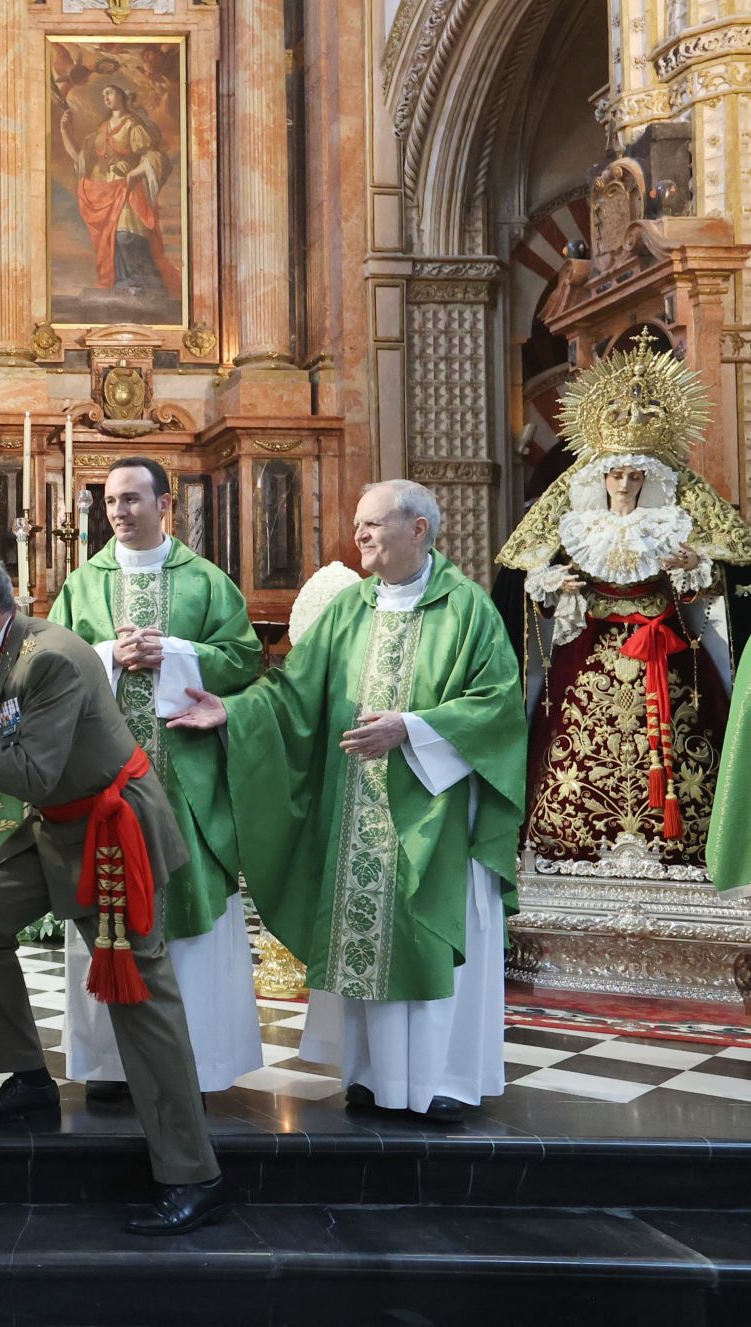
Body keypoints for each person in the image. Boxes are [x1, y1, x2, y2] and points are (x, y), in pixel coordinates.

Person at [169, 481, 524, 1125]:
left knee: (427, 935)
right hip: (353, 808)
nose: (359, 534)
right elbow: (291, 691)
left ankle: (443, 1079)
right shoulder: (348, 611)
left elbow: (498, 706)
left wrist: (411, 729)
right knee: (361, 933)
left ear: (418, 529)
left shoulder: (468, 609)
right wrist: (233, 710)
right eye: (357, 523)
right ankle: (370, 1075)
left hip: (433, 814)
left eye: (372, 523)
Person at [0, 553, 223, 1235]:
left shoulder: (51, 657)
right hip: (61, 825)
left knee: (141, 998)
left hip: (108, 830)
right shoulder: (8, 650)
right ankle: (28, 1082)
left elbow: (36, 771)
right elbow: (8, 740)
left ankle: (193, 1173)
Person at [497, 334, 751, 872]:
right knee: (573, 748)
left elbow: (717, 592)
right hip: (594, 652)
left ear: (648, 479)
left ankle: (686, 848)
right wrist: (557, 587)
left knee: (683, 745)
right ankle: (567, 847)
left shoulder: (673, 520)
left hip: (664, 650)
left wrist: (695, 573)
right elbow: (527, 579)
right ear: (601, 477)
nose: (623, 483)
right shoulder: (578, 521)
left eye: (633, 475)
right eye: (615, 474)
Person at [48, 458, 263, 1097]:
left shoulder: (205, 582)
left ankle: (193, 1064)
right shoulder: (84, 584)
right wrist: (106, 657)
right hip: (102, 788)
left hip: (183, 784)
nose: (119, 511)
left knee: (184, 913)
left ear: (165, 505)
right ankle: (112, 1068)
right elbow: (47, 665)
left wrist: (175, 652)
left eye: (134, 499)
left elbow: (244, 659)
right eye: (111, 500)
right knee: (105, 911)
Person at [57, 83, 179, 295]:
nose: (105, 96)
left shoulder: (132, 125)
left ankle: (143, 284)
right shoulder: (101, 131)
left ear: (121, 95)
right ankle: (123, 283)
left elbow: (155, 157)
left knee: (127, 234)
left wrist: (134, 174)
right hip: (107, 189)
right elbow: (81, 160)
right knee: (112, 239)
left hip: (128, 188)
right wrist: (64, 131)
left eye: (110, 92)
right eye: (103, 93)